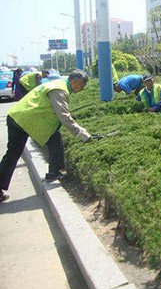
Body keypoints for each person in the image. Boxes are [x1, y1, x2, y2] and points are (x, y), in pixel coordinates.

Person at [0, 70, 93, 203]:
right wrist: (82, 133)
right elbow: (64, 117)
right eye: (82, 85)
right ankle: (54, 172)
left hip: (19, 117)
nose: (82, 89)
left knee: (13, 154)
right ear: (75, 82)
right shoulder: (59, 90)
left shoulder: (59, 84)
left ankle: (55, 172)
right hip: (24, 120)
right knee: (53, 139)